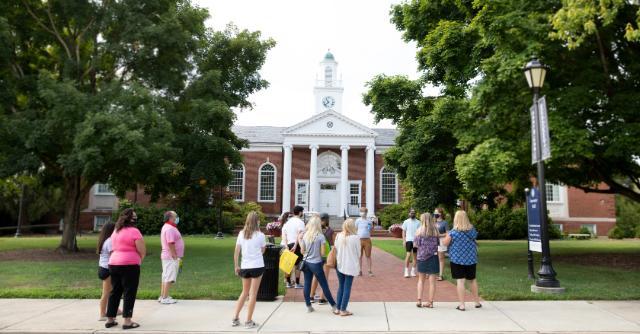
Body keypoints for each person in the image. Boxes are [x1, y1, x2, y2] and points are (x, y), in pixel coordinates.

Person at [105, 208, 145, 330]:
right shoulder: (135, 231)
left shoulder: (116, 231)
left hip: (113, 263)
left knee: (115, 291)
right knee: (129, 292)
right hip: (130, 265)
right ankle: (127, 321)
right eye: (135, 217)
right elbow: (142, 251)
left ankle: (110, 319)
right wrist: (139, 261)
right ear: (131, 219)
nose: (136, 219)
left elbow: (113, 247)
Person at [232, 211, 266, 329]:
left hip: (245, 266)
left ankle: (235, 318)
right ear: (257, 221)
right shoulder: (260, 235)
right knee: (253, 294)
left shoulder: (241, 234)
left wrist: (236, 266)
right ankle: (248, 321)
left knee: (244, 292)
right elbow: (263, 250)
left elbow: (236, 252)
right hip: (257, 265)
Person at [442, 210, 481, 311]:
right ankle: (477, 302)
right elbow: (475, 237)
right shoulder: (472, 230)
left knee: (460, 281)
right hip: (471, 259)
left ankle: (462, 305)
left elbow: (445, 243)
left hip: (457, 259)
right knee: (472, 280)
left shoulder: (453, 233)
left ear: (456, 219)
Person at [299, 216, 338, 313]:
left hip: (306, 262)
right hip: (316, 263)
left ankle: (308, 306)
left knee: (307, 284)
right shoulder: (320, 236)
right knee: (324, 285)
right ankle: (333, 305)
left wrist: (300, 242)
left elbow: (302, 251)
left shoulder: (305, 235)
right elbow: (323, 253)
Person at [334, 218, 361, 316]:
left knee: (341, 286)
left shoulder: (338, 236)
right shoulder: (355, 238)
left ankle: (338, 308)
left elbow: (336, 249)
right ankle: (343, 309)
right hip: (350, 265)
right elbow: (358, 253)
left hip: (339, 264)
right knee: (347, 288)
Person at [414, 213, 440, 308]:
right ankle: (430, 302)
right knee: (432, 282)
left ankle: (419, 300)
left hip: (421, 257)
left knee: (421, 280)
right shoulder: (435, 230)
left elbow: (416, 245)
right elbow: (438, 243)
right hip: (433, 257)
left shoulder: (419, 231)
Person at [96, 222, 121, 321]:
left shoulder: (104, 240)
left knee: (112, 291)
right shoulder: (110, 241)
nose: (117, 231)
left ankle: (117, 309)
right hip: (107, 269)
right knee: (106, 293)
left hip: (103, 268)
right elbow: (113, 256)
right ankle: (102, 314)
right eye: (115, 229)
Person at [159, 211, 184, 304]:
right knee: (169, 276)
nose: (177, 218)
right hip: (170, 257)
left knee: (166, 276)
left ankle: (163, 296)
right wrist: (175, 255)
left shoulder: (169, 227)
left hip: (168, 256)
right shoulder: (169, 228)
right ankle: (165, 298)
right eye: (175, 216)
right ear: (170, 217)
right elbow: (170, 243)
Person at [310, 213, 334, 304]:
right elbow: (332, 244)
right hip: (326, 256)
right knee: (325, 277)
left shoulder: (315, 230)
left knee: (316, 277)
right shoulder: (330, 231)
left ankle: (311, 296)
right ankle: (322, 298)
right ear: (327, 220)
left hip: (316, 256)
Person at [281, 206, 305, 288]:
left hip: (287, 244)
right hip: (296, 244)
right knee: (297, 265)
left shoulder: (287, 223)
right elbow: (300, 235)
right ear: (300, 212)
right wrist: (295, 245)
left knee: (288, 265)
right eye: (302, 212)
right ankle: (297, 283)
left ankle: (288, 283)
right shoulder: (300, 223)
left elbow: (284, 235)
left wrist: (286, 245)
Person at [401, 209, 420, 277]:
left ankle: (413, 271)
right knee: (408, 255)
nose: (413, 214)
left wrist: (418, 241)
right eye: (411, 213)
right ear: (409, 213)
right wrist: (403, 240)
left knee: (415, 256)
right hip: (408, 240)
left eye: (414, 213)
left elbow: (419, 233)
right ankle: (406, 271)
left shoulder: (418, 222)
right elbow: (403, 231)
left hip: (415, 241)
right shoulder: (406, 222)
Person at [355, 207, 373, 277]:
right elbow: (355, 229)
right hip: (359, 240)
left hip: (367, 240)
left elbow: (371, 229)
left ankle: (369, 270)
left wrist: (370, 229)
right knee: (360, 256)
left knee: (368, 256)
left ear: (366, 212)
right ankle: (360, 270)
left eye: (363, 211)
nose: (362, 212)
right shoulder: (357, 220)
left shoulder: (369, 221)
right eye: (361, 211)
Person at [434, 208, 449, 281]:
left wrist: (440, 235)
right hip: (433, 242)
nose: (435, 214)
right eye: (434, 213)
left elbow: (448, 233)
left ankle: (441, 275)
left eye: (436, 212)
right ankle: (432, 273)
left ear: (440, 214)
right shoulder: (434, 222)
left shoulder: (444, 223)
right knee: (433, 257)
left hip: (441, 241)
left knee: (441, 258)